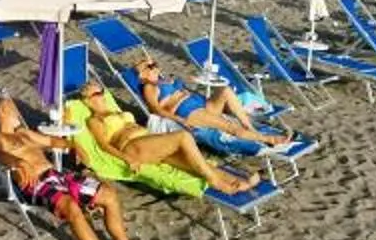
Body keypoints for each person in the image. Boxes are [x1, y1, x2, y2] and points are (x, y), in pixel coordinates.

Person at [0, 97, 147, 240]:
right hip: (37, 184)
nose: (17, 109)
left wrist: (72, 146)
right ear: (2, 112)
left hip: (57, 176)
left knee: (108, 194)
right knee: (71, 207)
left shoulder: (24, 133)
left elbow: (52, 142)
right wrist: (19, 162)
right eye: (12, 106)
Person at [73, 82, 260, 195]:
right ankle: (216, 182)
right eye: (97, 94)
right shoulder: (95, 120)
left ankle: (237, 183)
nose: (103, 96)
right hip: (131, 147)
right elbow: (104, 146)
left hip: (149, 143)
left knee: (191, 162)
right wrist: (127, 159)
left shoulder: (113, 110)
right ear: (87, 101)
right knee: (183, 137)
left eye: (102, 91)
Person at [137, 60, 302, 151]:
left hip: (200, 103)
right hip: (189, 112)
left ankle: (249, 128)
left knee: (226, 90)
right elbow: (156, 109)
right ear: (142, 73)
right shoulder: (149, 86)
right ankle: (270, 139)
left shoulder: (163, 80)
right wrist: (179, 119)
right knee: (229, 126)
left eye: (156, 64)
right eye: (150, 66)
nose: (156, 68)